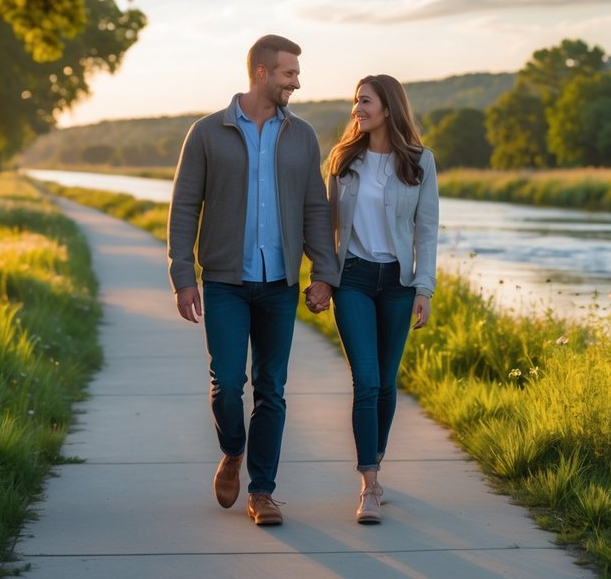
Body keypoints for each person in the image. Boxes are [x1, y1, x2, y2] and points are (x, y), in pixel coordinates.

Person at [167, 34, 336, 527]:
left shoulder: (301, 135)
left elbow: (314, 208)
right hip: (224, 282)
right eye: (289, 74)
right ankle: (233, 450)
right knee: (226, 385)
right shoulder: (207, 132)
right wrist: (183, 275)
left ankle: (262, 492)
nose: (297, 83)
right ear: (261, 72)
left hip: (279, 284)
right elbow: (183, 207)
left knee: (272, 389)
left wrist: (323, 272)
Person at [310, 73, 439, 524]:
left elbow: (426, 230)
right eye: (354, 102)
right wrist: (322, 278)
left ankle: (376, 458)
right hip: (355, 281)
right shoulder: (343, 160)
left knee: (386, 382)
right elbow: (325, 230)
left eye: (364, 101)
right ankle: (369, 484)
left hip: (399, 285)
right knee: (365, 379)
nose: (356, 109)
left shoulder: (421, 162)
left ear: (388, 107)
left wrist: (424, 287)